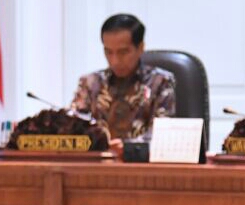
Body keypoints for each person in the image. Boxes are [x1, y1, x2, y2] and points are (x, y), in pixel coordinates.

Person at [69, 14, 175, 145]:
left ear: (140, 48)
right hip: (98, 160)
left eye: (123, 52)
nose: (115, 61)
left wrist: (127, 147)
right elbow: (73, 129)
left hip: (139, 162)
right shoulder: (91, 82)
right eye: (108, 52)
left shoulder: (159, 82)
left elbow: (162, 135)